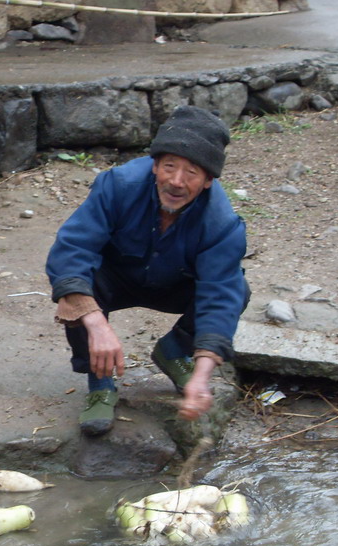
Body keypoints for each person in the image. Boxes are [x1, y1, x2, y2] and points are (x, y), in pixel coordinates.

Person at [46, 105, 250, 436]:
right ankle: (100, 384)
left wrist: (202, 373)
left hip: (175, 284)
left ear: (209, 181)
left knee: (237, 289)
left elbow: (219, 293)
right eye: (169, 166)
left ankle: (174, 352)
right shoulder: (118, 185)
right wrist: (96, 323)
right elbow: (73, 248)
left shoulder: (222, 224)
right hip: (116, 279)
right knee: (78, 283)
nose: (176, 181)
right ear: (155, 165)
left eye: (192, 173)